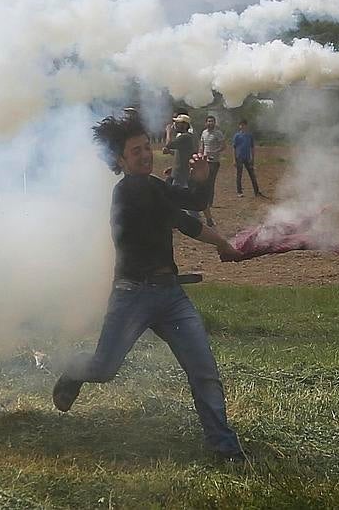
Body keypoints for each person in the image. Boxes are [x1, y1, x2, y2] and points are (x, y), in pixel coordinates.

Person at [52, 114, 247, 462]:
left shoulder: (153, 185)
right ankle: (74, 371)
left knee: (204, 372)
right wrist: (223, 243)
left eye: (147, 147)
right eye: (136, 151)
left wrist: (204, 179)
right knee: (103, 368)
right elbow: (187, 219)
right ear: (120, 160)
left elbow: (194, 202)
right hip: (133, 295)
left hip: (170, 294)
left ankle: (224, 446)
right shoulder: (133, 188)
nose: (145, 155)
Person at [232, 120, 266, 198]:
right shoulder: (237, 136)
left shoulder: (249, 136)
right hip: (239, 158)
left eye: (244, 125)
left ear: (246, 126)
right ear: (239, 126)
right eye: (241, 125)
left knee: (252, 175)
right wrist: (234, 159)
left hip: (247, 158)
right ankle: (239, 192)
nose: (242, 126)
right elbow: (234, 147)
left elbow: (252, 147)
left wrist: (253, 158)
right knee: (239, 175)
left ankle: (256, 192)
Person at [199, 115, 226, 208]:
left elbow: (223, 146)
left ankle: (209, 202)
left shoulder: (218, 133)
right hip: (204, 161)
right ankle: (203, 199)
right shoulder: (204, 133)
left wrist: (214, 152)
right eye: (209, 121)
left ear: (215, 123)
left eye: (212, 121)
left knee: (210, 182)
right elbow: (202, 146)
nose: (210, 123)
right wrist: (200, 154)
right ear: (205, 123)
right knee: (203, 181)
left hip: (214, 161)